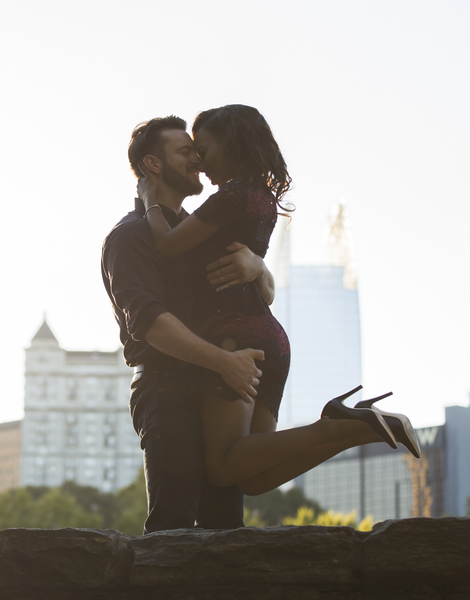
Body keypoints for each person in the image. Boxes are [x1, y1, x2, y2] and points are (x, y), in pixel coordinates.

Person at [138, 105, 420, 497]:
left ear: (230, 144)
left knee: (223, 467)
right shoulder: (262, 199)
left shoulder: (231, 195)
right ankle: (349, 429)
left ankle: (335, 426)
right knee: (253, 477)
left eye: (204, 149)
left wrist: (150, 200)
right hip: (270, 339)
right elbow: (255, 274)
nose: (200, 164)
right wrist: (258, 266)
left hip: (233, 338)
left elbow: (167, 247)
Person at [101, 115, 275, 533]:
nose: (198, 160)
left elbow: (260, 295)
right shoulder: (130, 237)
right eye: (186, 152)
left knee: (224, 526)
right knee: (173, 528)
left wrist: (258, 266)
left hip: (218, 386)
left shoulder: (197, 232)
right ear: (153, 165)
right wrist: (223, 362)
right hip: (169, 389)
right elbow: (150, 324)